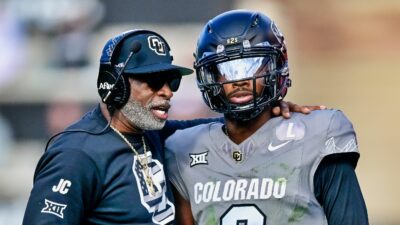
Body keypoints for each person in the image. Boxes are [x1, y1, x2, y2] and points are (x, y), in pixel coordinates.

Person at [22, 29, 316, 224]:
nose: (167, 91)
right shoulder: (76, 155)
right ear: (115, 86)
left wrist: (271, 112)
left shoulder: (155, 134)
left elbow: (225, 126)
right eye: (152, 81)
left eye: (171, 80)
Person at [165, 10, 369, 225]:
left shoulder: (317, 132)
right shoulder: (183, 148)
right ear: (210, 76)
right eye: (228, 69)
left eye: (251, 65)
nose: (240, 80)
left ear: (276, 66)